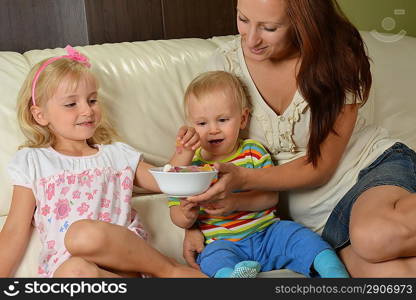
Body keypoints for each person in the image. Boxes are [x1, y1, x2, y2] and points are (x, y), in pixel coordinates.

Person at [184, 0, 416, 277]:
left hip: (366, 173)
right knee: (395, 277)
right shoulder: (224, 66)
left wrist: (243, 177)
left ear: (302, 22)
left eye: (269, 27)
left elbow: (320, 166)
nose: (251, 39)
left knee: (374, 236)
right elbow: (205, 160)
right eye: (243, 19)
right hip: (317, 225)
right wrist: (193, 224)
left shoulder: (337, 60)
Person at [0, 45, 206, 278]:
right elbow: (15, 230)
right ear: (40, 115)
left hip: (127, 261)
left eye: (92, 100)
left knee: (83, 234)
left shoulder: (116, 155)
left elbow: (165, 182)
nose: (87, 110)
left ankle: (170, 270)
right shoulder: (33, 161)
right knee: (75, 270)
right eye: (71, 104)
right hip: (72, 272)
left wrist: (184, 152)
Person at [169, 70, 349, 278]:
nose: (213, 130)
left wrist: (236, 202)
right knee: (211, 258)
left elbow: (270, 196)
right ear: (191, 126)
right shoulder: (191, 167)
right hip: (223, 243)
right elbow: (175, 211)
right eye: (202, 123)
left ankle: (334, 273)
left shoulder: (253, 152)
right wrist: (187, 218)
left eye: (223, 120)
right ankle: (233, 277)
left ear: (243, 119)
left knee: (300, 237)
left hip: (267, 233)